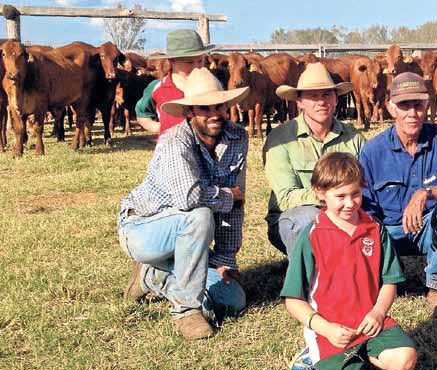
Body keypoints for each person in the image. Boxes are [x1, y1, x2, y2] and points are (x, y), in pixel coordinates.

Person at [118, 68, 250, 340]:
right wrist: (227, 195)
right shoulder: (174, 140)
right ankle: (186, 311)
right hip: (144, 230)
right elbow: (189, 198)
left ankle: (152, 277)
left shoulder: (237, 138)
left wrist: (225, 257)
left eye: (220, 106)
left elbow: (239, 202)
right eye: (205, 108)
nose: (215, 114)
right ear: (189, 111)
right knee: (200, 214)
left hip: (191, 241)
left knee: (233, 300)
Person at [280, 152, 418, 370]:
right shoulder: (312, 236)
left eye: (355, 194)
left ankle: (366, 355)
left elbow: (390, 281)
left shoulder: (374, 229)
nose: (349, 203)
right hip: (331, 331)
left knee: (405, 361)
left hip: (370, 322)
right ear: (320, 193)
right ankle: (314, 356)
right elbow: (293, 301)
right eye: (339, 196)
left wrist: (378, 312)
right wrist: (326, 328)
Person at [360, 72, 437, 311]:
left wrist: (425, 193)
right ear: (391, 107)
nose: (412, 113)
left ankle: (435, 286)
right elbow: (365, 205)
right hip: (387, 234)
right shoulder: (372, 151)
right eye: (404, 105)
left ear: (427, 106)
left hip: (430, 229)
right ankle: (386, 276)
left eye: (418, 105)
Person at [263, 62, 363, 259]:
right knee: (308, 219)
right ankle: (306, 282)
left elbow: (366, 185)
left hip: (347, 213)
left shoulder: (354, 137)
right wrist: (331, 199)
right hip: (294, 217)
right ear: (299, 102)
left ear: (336, 99)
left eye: (326, 94)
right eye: (312, 96)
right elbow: (285, 197)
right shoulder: (280, 139)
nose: (321, 102)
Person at [135, 29, 215, 138]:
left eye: (200, 61)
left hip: (203, 147)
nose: (196, 66)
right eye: (190, 62)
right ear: (172, 61)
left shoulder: (210, 85)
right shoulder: (158, 87)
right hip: (170, 147)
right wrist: (158, 127)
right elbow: (141, 113)